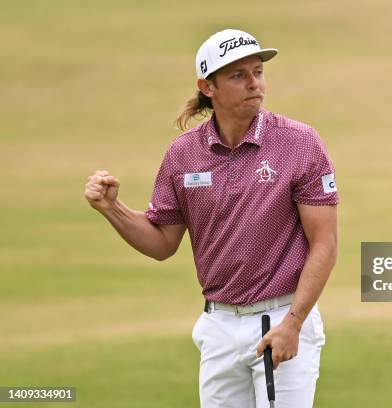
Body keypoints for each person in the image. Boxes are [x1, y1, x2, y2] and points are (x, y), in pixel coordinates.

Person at [83, 28, 339, 408]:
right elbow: (162, 243)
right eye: (239, 76)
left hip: (281, 317)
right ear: (208, 87)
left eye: (258, 72)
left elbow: (325, 244)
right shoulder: (183, 155)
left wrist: (295, 322)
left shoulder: (299, 143)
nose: (255, 84)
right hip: (218, 326)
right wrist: (113, 209)